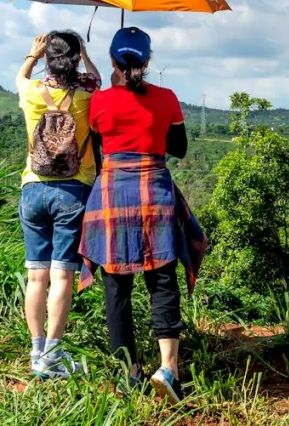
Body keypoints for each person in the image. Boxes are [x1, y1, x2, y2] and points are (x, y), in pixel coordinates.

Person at [80, 25, 205, 404]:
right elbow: (179, 148)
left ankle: (128, 372)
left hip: (112, 194)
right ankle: (168, 368)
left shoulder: (98, 102)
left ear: (113, 61)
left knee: (116, 287)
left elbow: (101, 146)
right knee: (162, 280)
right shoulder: (166, 98)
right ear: (148, 62)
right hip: (156, 193)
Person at [15, 30, 101, 379]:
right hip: (73, 190)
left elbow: (19, 77)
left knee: (36, 275)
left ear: (48, 59)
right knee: (62, 275)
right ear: (76, 58)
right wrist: (86, 54)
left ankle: (37, 352)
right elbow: (97, 79)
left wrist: (32, 55)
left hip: (33, 189)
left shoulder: (32, 92)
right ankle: (52, 354)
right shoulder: (87, 95)